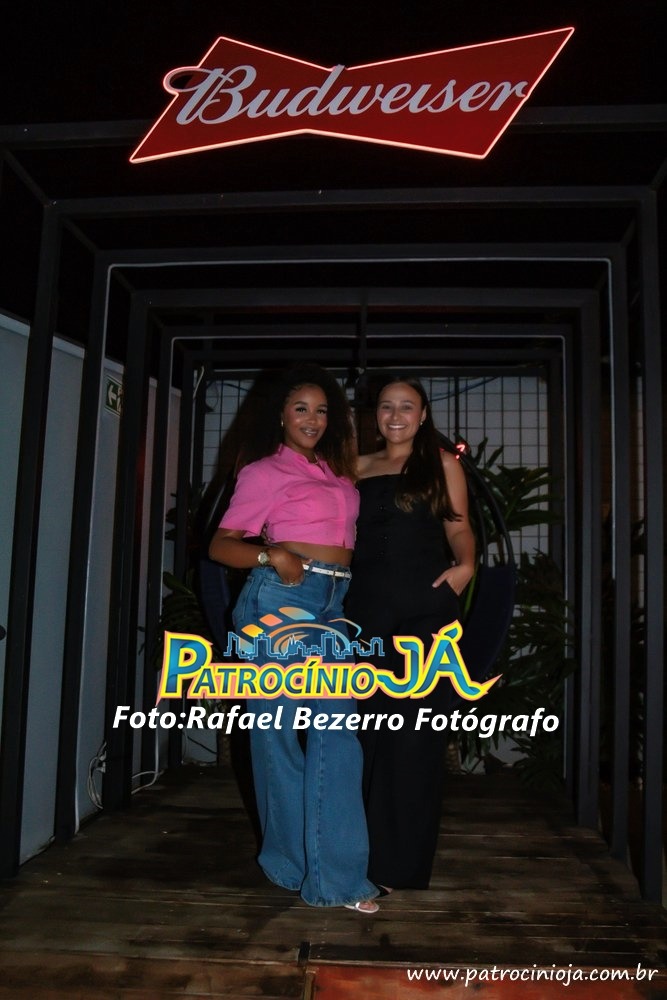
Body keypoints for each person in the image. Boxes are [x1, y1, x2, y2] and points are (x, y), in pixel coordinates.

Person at [208, 363, 379, 913]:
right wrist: (270, 554)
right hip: (278, 604)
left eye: (321, 410)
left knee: (338, 733)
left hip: (332, 604)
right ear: (281, 414)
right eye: (301, 408)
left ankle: (336, 876)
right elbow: (220, 545)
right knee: (277, 736)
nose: (312, 418)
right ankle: (291, 865)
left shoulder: (337, 473)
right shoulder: (264, 472)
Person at [346, 376, 476, 891]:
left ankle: (398, 867)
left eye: (407, 406)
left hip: (425, 613)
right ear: (374, 415)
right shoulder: (353, 467)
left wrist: (466, 565)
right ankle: (355, 858)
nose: (395, 415)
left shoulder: (442, 463)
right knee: (362, 736)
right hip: (362, 613)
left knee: (413, 738)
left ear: (423, 415)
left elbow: (458, 526)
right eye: (386, 406)